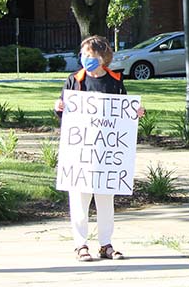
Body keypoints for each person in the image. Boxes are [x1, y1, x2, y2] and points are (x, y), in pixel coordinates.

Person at [54, 35, 144, 262]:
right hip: (81, 154)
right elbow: (65, 115)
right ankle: (80, 244)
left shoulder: (114, 81)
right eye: (83, 55)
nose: (85, 59)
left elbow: (122, 114)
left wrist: (135, 113)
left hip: (106, 154)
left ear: (103, 58)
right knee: (80, 199)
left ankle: (106, 244)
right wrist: (59, 108)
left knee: (106, 200)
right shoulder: (74, 80)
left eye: (90, 56)